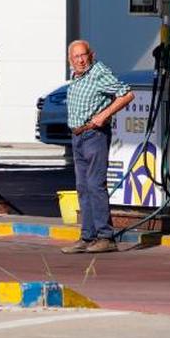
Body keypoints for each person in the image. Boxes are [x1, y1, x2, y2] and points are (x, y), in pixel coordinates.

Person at [61, 40, 135, 254]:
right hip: (78, 137)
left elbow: (126, 93)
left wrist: (104, 115)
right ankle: (87, 236)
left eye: (83, 55)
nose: (81, 60)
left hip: (94, 135)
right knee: (83, 187)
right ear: (70, 60)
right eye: (76, 57)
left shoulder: (98, 72)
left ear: (91, 55)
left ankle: (105, 236)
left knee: (95, 185)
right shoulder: (77, 76)